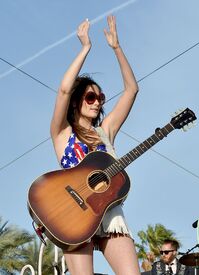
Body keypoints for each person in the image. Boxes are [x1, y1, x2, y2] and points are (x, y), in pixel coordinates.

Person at [50, 15, 140, 275]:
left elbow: (131, 90)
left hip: (109, 213)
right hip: (73, 213)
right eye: (91, 96)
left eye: (100, 97)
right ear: (78, 102)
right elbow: (64, 91)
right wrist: (85, 48)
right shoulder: (62, 134)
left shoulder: (105, 132)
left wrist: (116, 48)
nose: (97, 101)